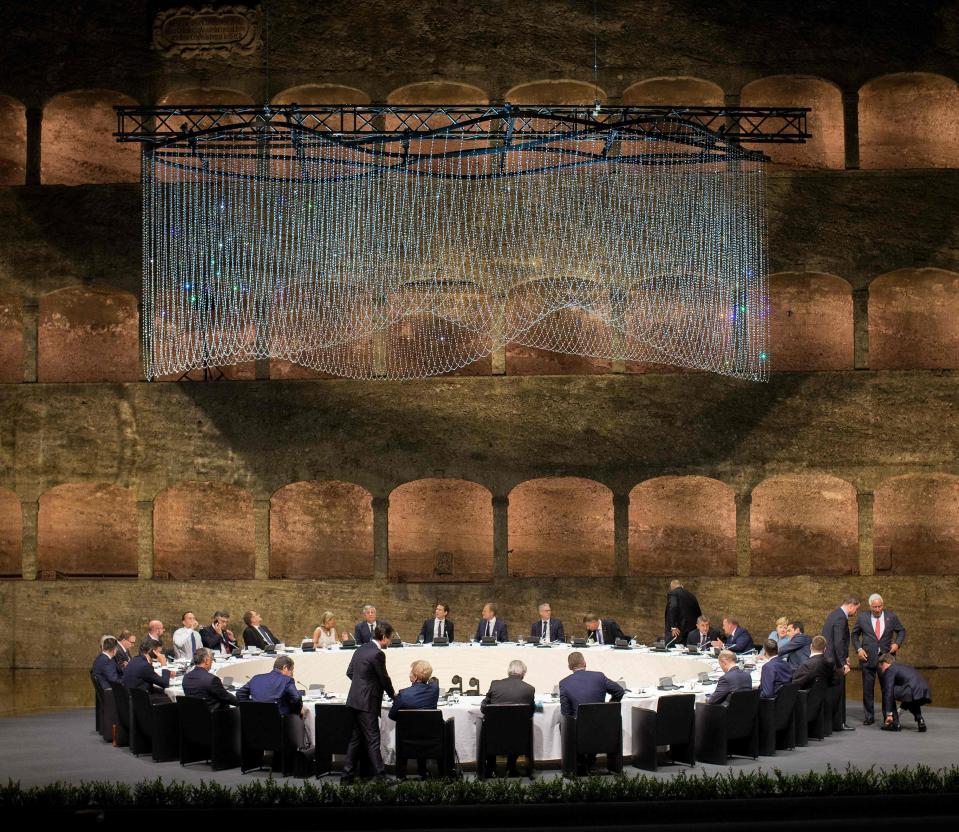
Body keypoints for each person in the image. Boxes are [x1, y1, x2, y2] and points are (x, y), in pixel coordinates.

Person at [341, 624, 396, 782]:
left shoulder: (361, 649)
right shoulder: (378, 654)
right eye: (390, 638)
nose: (390, 642)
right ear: (384, 637)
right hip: (367, 702)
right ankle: (381, 775)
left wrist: (361, 685)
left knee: (355, 739)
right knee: (373, 739)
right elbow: (384, 679)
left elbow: (350, 672)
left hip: (354, 700)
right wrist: (393, 696)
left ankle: (346, 776)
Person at [559, 652, 624, 775]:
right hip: (602, 727)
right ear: (584, 663)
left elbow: (566, 713)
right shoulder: (599, 676)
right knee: (593, 723)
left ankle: (579, 761)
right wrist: (610, 708)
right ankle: (591, 760)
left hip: (579, 731)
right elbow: (619, 691)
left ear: (569, 667)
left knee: (564, 723)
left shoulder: (564, 683)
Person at [852, 593, 906, 726]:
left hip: (886, 659)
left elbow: (901, 631)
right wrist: (859, 649)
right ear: (870, 606)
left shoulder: (891, 617)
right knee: (868, 689)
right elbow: (854, 635)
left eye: (879, 606)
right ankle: (869, 716)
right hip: (867, 658)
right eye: (874, 607)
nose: (877, 609)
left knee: (887, 688)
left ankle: (888, 715)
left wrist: (897, 644)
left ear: (883, 605)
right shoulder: (862, 617)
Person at [481, 659, 536, 777]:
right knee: (517, 727)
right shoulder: (529, 689)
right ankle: (511, 766)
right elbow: (531, 712)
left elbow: (484, 708)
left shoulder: (495, 684)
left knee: (491, 726)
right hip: (519, 736)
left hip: (495, 735)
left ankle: (491, 766)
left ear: (508, 672)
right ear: (523, 673)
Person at [388, 660, 440, 777]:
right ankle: (422, 768)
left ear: (415, 676)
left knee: (406, 728)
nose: (409, 674)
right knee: (422, 728)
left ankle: (401, 773)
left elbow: (392, 715)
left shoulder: (404, 694)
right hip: (429, 736)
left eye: (411, 672)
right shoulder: (434, 690)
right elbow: (434, 681)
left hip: (407, 738)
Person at [823, 594, 860, 731]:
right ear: (851, 605)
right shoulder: (840, 617)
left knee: (835, 693)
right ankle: (838, 724)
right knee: (838, 693)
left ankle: (835, 723)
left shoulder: (834, 614)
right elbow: (838, 642)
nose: (856, 613)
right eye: (856, 609)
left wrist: (845, 657)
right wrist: (842, 663)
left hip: (832, 659)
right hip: (835, 663)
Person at [878, 653, 931, 732]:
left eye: (881, 666)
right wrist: (903, 707)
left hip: (911, 690)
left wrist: (889, 714)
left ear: (885, 663)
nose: (881, 668)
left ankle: (895, 724)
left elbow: (889, 692)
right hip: (923, 690)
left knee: (887, 691)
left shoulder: (890, 669)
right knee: (911, 700)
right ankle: (920, 720)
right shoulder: (904, 666)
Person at [236, 655, 304, 717]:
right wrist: (297, 712)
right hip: (281, 724)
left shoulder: (256, 678)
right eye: (291, 671)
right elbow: (296, 698)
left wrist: (251, 708)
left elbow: (240, 693)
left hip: (255, 722)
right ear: (285, 668)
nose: (292, 675)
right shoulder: (287, 680)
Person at [123, 637, 173, 702]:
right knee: (169, 699)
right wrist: (164, 664)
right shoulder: (145, 666)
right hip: (140, 700)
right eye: (158, 652)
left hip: (131, 696)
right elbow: (165, 684)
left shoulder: (135, 659)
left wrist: (166, 674)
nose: (160, 655)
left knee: (162, 692)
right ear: (151, 651)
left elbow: (149, 675)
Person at [664, 580, 702, 645]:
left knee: (671, 650)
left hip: (677, 631)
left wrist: (673, 626)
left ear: (672, 588)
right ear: (682, 586)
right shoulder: (692, 596)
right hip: (690, 631)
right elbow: (698, 613)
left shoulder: (673, 593)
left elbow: (673, 607)